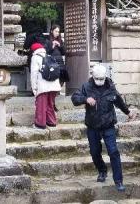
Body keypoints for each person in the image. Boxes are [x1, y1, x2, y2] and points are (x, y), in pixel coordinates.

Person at [71, 64, 134, 192]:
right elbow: (74, 98)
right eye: (97, 79)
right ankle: (102, 171)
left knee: (113, 152)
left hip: (108, 125)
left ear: (105, 77)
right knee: (95, 152)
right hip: (92, 125)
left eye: (102, 78)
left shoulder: (111, 87)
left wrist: (128, 112)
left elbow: (119, 102)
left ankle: (118, 180)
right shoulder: (86, 87)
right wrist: (85, 99)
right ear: (93, 77)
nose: (100, 81)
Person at [26, 31, 61, 129]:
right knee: (50, 104)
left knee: (41, 105)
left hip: (43, 86)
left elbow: (33, 74)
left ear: (33, 50)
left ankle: (40, 124)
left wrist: (34, 89)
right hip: (54, 85)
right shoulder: (49, 56)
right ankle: (51, 121)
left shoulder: (35, 57)